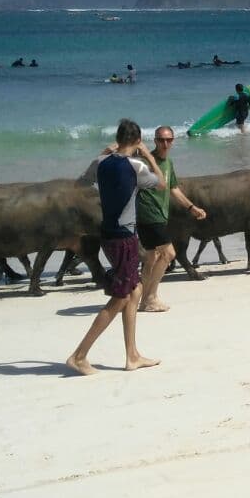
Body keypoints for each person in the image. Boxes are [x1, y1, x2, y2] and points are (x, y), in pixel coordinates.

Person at [67, 119, 165, 376]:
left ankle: (132, 355)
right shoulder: (136, 165)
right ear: (136, 141)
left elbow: (80, 184)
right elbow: (162, 183)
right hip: (124, 238)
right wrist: (147, 155)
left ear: (117, 139)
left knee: (135, 290)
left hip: (108, 236)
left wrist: (104, 152)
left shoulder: (100, 163)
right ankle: (79, 355)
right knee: (122, 296)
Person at [136, 125, 207, 313]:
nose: (165, 143)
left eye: (168, 140)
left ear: (173, 141)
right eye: (161, 140)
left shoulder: (168, 163)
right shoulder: (144, 161)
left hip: (159, 215)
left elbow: (173, 188)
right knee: (169, 254)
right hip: (149, 214)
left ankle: (143, 300)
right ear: (155, 141)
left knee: (151, 258)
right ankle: (151, 297)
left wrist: (192, 207)